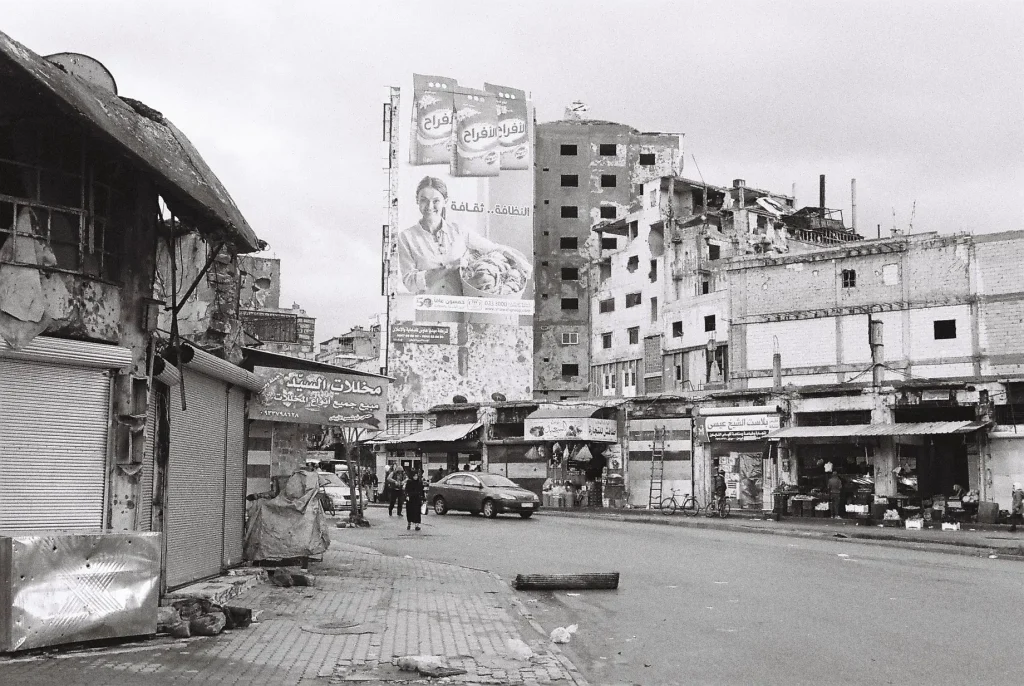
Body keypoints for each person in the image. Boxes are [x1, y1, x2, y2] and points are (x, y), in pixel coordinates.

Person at [396, 176, 529, 295]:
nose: (430, 206)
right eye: (424, 200)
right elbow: (410, 282)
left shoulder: (459, 231)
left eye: (436, 200)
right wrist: (448, 267)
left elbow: (493, 249)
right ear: (417, 201)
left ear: (445, 201)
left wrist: (519, 261)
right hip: (429, 309)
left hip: (461, 309)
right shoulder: (406, 238)